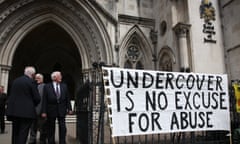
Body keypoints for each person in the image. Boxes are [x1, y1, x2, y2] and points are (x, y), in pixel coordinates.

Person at [6, 66, 41, 144]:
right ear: (32, 74)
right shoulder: (31, 82)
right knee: (23, 134)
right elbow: (37, 98)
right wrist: (31, 105)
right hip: (26, 113)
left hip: (14, 112)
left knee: (15, 133)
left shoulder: (16, 81)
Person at [42, 71, 73, 144]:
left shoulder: (64, 86)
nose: (61, 77)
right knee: (51, 127)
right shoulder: (47, 86)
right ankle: (51, 141)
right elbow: (44, 100)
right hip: (51, 110)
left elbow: (67, 98)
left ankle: (62, 142)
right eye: (60, 76)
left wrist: (70, 108)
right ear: (55, 77)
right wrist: (44, 111)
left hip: (62, 110)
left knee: (62, 128)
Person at [29, 73, 47, 144]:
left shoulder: (45, 87)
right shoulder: (32, 86)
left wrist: (44, 111)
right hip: (32, 111)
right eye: (36, 78)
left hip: (41, 111)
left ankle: (42, 140)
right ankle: (32, 140)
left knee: (43, 128)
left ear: (42, 79)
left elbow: (46, 100)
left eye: (39, 78)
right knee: (33, 128)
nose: (37, 79)